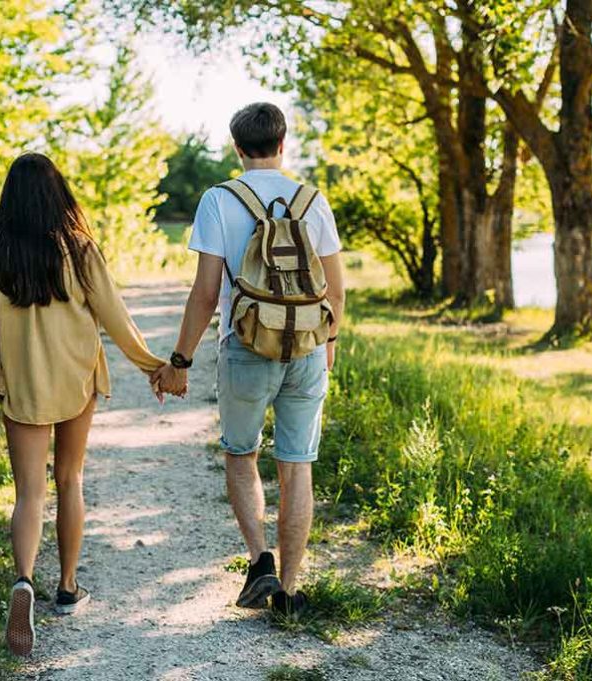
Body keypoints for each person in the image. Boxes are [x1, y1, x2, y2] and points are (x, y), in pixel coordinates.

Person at [152, 103, 345, 617]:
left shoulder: (220, 200)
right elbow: (337, 293)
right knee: (296, 465)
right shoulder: (312, 201)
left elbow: (204, 293)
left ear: (237, 148)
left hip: (245, 345)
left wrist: (180, 361)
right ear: (284, 144)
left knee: (242, 454)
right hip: (306, 347)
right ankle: (290, 587)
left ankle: (259, 561)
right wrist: (326, 349)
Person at [0, 152, 167, 656]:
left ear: (10, 198)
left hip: (22, 385)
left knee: (29, 493)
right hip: (76, 378)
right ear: (58, 194)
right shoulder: (80, 250)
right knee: (70, 479)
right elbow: (116, 318)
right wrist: (155, 367)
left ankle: (23, 581)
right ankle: (68, 586)